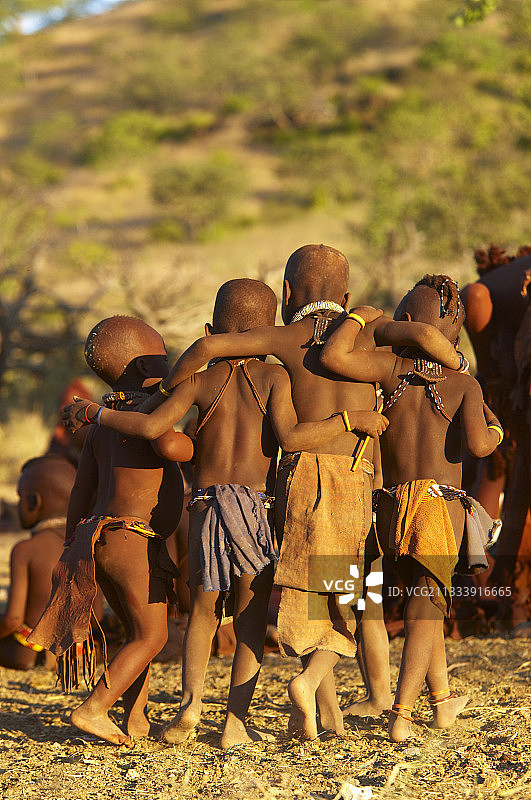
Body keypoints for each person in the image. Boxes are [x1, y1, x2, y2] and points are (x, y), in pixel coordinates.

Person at [127, 244, 466, 741]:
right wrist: (455, 360)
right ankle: (319, 690)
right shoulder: (368, 331)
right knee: (348, 598)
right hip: (350, 479)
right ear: (345, 295)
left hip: (297, 478)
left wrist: (161, 395)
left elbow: (206, 350)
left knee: (315, 592)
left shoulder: (285, 340)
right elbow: (421, 333)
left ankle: (324, 712)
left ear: (287, 293)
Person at [63, 278, 386, 748]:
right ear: (267, 331)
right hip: (252, 507)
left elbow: (153, 424)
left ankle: (189, 707)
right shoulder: (276, 378)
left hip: (206, 506)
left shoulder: (197, 381)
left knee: (204, 610)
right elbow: (292, 439)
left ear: (213, 328)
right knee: (251, 617)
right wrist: (349, 421)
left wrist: (96, 414)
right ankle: (234, 722)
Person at [321, 274, 502, 741]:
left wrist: (361, 316)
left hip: (392, 507)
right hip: (440, 509)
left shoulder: (388, 371)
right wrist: (497, 429)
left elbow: (334, 355)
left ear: (404, 324)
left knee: (422, 601)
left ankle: (441, 704)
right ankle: (401, 713)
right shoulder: (465, 384)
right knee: (428, 608)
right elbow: (481, 448)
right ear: (455, 337)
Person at [30, 316, 194, 747]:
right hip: (131, 538)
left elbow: (82, 488)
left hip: (97, 537)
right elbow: (170, 445)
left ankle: (135, 717)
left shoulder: (100, 426)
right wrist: (193, 444)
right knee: (152, 635)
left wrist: (72, 544)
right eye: (163, 354)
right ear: (146, 369)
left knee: (137, 632)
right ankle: (94, 707)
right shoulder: (148, 415)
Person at [0, 456, 77, 670]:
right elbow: (95, 615)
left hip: (29, 654)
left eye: (20, 498)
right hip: (76, 656)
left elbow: (13, 620)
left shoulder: (26, 550)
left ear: (34, 502)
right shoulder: (85, 547)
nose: (17, 504)